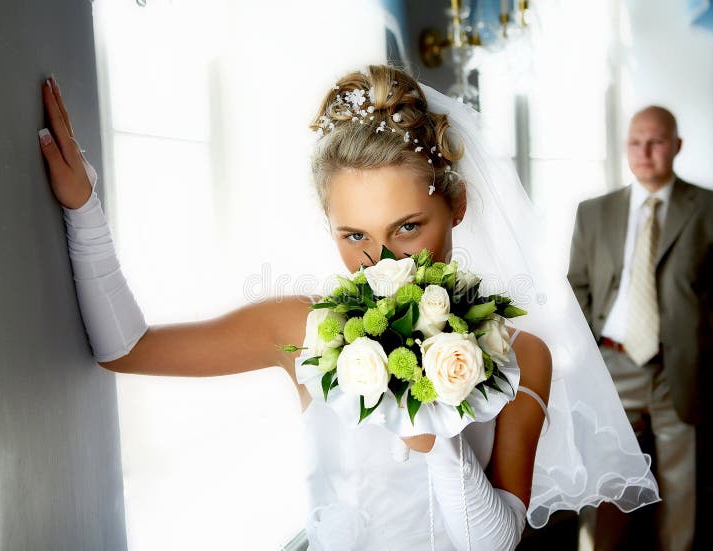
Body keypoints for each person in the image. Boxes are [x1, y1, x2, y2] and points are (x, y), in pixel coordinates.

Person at [39, 65, 659, 550]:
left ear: (459, 206)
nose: (382, 261)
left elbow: (496, 541)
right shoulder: (302, 328)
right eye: (354, 235)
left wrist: (431, 434)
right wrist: (84, 212)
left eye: (409, 226)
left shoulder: (521, 352)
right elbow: (127, 349)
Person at [568, 106, 713, 551]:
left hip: (682, 369)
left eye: (655, 141)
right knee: (608, 481)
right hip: (613, 365)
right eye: (636, 141)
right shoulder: (594, 212)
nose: (645, 151)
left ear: (677, 146)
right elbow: (577, 284)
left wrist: (698, 333)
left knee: (679, 484)